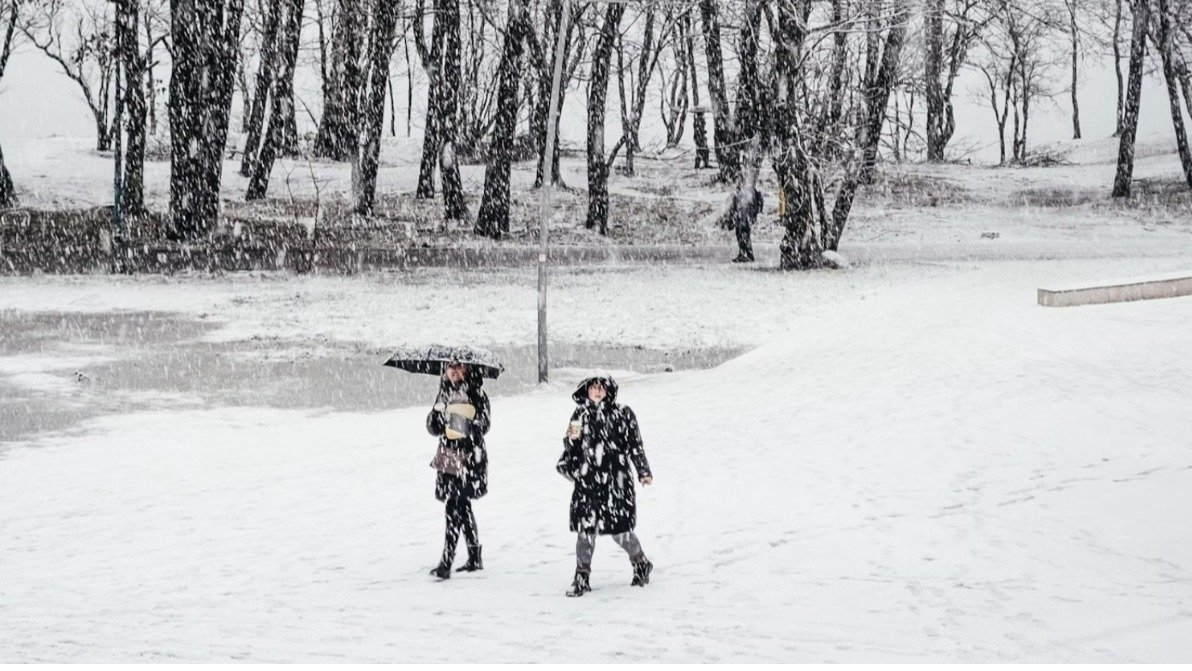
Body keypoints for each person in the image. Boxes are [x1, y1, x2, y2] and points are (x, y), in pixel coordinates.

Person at [556, 376, 654, 597]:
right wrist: (569, 454)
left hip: (616, 481)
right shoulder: (579, 415)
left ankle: (640, 562)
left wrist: (643, 471)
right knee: (585, 530)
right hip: (588, 482)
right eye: (593, 387)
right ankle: (581, 577)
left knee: (621, 532)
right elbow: (571, 444)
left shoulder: (623, 413)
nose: (597, 391)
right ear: (587, 391)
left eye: (601, 387)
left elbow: (635, 445)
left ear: (609, 390)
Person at [426, 362, 491, 580]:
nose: (453, 371)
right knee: (461, 506)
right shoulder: (443, 393)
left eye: (458, 367)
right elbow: (433, 429)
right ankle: (474, 556)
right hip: (448, 457)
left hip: (469, 458)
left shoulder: (477, 393)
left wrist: (460, 422)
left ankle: (447, 561)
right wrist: (437, 415)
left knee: (454, 505)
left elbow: (484, 424)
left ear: (467, 370)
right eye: (449, 367)